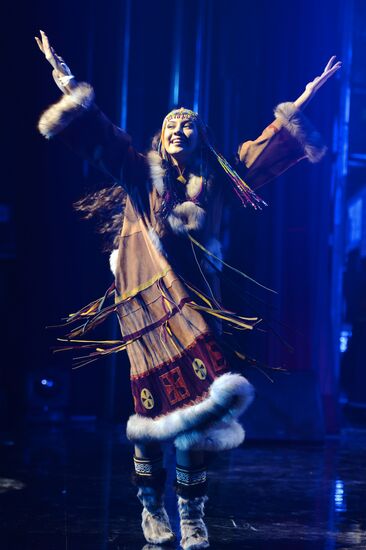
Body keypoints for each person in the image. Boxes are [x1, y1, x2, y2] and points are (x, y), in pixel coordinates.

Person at [35, 30, 341, 549]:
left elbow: (267, 146)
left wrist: (306, 99)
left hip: (200, 308)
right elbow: (104, 135)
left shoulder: (222, 177)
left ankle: (191, 513)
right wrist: (66, 82)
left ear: (203, 137)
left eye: (190, 124)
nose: (180, 128)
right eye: (172, 123)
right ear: (161, 135)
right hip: (150, 312)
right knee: (153, 413)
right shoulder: (142, 173)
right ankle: (150, 506)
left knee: (198, 412)